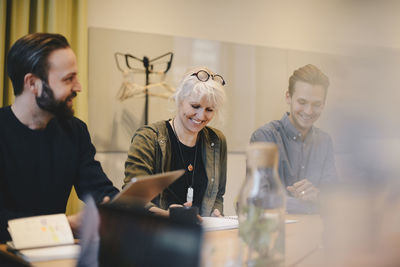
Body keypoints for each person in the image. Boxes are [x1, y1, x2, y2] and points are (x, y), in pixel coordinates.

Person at [0, 33, 119, 242]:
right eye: (68, 79)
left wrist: (140, 210)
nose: (78, 87)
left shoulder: (75, 131)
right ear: (33, 83)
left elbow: (100, 190)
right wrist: (66, 226)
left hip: (56, 256)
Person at [124, 67, 227, 217]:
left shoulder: (216, 141)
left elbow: (217, 194)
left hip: (198, 233)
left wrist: (216, 213)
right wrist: (170, 217)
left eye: (209, 110)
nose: (201, 116)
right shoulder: (148, 138)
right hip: (154, 232)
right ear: (179, 100)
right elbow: (132, 198)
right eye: (195, 106)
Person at [250, 64, 337, 213]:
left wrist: (318, 196)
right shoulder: (264, 137)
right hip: (275, 231)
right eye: (302, 102)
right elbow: (260, 198)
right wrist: (313, 204)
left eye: (316, 104)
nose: (309, 111)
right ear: (288, 97)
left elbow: (334, 199)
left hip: (315, 230)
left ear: (324, 105)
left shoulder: (325, 141)